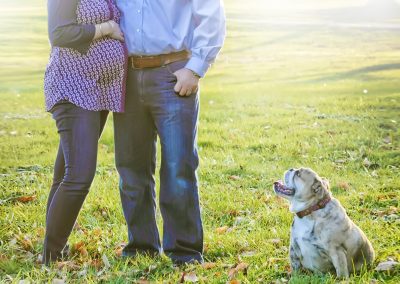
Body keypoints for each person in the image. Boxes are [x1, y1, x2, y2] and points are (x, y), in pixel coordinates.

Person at [114, 0, 226, 265]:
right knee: (130, 168)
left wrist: (196, 68)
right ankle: (141, 246)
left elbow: (210, 15)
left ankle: (184, 251)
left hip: (173, 72)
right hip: (125, 75)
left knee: (178, 168)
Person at [43, 0, 126, 265]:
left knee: (66, 173)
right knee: (79, 176)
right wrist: (106, 28)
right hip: (72, 85)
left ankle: (53, 248)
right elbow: (59, 33)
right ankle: (51, 257)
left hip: (98, 89)